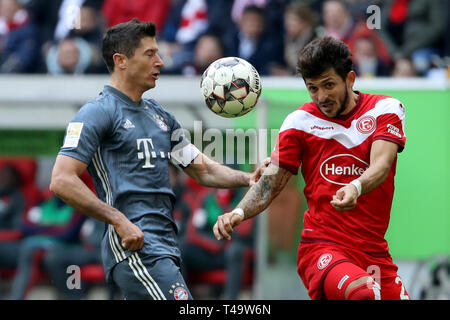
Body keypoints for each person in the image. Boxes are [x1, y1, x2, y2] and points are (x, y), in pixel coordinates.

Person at [49, 18, 268, 300]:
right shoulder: (97, 113)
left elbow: (202, 170)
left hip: (167, 247)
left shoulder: (160, 116)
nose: (161, 62)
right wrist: (119, 220)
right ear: (121, 61)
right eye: (150, 54)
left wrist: (247, 178)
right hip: (136, 249)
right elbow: (61, 180)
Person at [213, 36, 411, 300]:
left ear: (350, 79)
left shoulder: (385, 109)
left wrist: (355, 186)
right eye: (313, 88)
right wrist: (238, 212)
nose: (322, 97)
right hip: (321, 247)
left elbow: (382, 165)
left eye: (329, 85)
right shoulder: (299, 122)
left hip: (373, 252)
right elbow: (271, 182)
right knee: (363, 293)